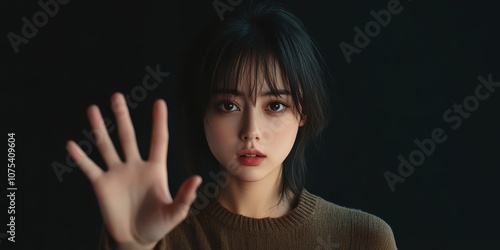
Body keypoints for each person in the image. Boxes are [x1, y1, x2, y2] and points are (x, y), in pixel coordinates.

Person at [66, 1, 397, 249]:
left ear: (303, 112)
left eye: (276, 105)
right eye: (229, 105)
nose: (251, 130)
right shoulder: (158, 235)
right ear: (202, 113)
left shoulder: (363, 238)